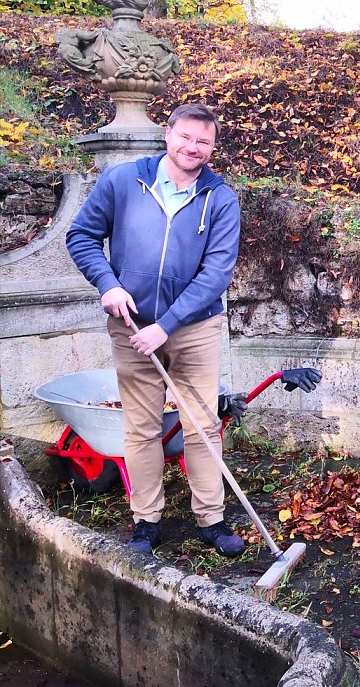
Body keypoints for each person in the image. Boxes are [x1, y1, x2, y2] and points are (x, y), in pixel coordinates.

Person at [66, 103, 245, 557]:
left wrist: (165, 327)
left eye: (204, 141)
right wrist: (107, 284)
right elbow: (82, 236)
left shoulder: (220, 199)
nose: (193, 147)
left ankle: (212, 519)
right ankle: (146, 522)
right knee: (141, 428)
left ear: (213, 147)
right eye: (186, 137)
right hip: (131, 324)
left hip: (194, 328)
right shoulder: (123, 181)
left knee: (202, 425)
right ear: (168, 135)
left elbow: (215, 275)